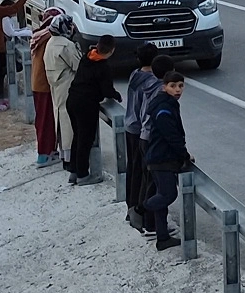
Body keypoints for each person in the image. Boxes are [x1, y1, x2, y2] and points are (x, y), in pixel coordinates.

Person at [143, 70, 191, 251]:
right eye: (173, 86)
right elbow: (171, 136)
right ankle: (142, 208)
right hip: (162, 158)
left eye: (180, 86)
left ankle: (162, 238)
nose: (178, 90)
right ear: (164, 87)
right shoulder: (164, 108)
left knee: (162, 197)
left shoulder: (167, 104)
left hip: (160, 157)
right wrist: (184, 154)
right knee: (168, 195)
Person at [65, 35, 120, 185]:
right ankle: (83, 175)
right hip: (86, 105)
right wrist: (116, 95)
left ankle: (74, 171)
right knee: (86, 139)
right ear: (112, 50)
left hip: (72, 99)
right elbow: (107, 90)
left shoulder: (87, 57)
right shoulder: (103, 67)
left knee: (77, 136)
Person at [122, 44, 163, 231]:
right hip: (141, 130)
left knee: (132, 170)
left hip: (130, 126)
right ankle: (141, 216)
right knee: (143, 174)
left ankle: (130, 208)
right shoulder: (152, 82)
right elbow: (146, 111)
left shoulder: (134, 75)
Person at [44, 13, 82, 172]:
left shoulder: (50, 43)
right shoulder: (66, 45)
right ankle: (70, 158)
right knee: (68, 123)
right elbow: (78, 65)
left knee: (59, 119)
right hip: (67, 86)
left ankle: (64, 155)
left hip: (56, 86)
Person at [28, 10, 65, 167]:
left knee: (45, 120)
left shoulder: (39, 35)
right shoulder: (49, 37)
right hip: (45, 84)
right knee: (46, 121)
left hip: (38, 83)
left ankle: (49, 150)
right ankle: (43, 154)